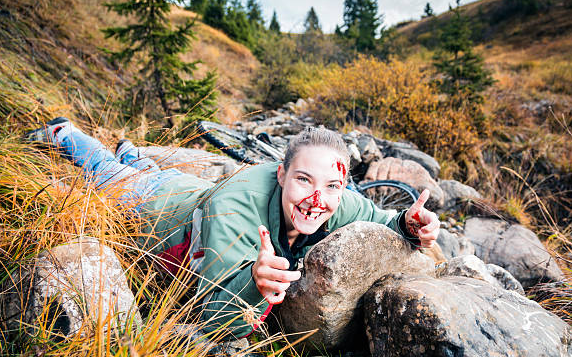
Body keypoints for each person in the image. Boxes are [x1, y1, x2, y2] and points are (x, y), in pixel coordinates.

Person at [26, 117, 440, 338]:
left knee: (145, 168)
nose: (318, 200)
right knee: (107, 173)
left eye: (332, 186)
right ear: (281, 174)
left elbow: (377, 219)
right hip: (154, 204)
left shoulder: (333, 199)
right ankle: (67, 133)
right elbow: (218, 319)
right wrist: (255, 284)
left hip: (192, 188)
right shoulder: (236, 207)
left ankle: (135, 153)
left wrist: (409, 224)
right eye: (303, 181)